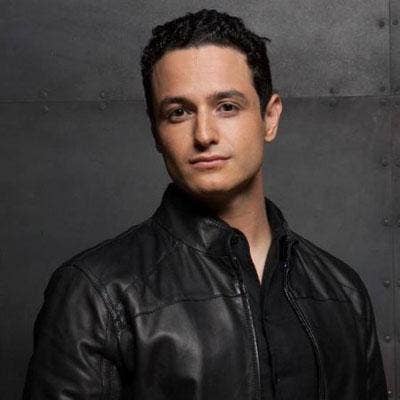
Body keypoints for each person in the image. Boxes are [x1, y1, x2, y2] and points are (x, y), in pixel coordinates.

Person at [23, 8, 388, 400]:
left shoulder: (343, 290)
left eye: (227, 106)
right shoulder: (96, 292)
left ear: (269, 117)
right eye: (178, 112)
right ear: (156, 131)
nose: (204, 134)